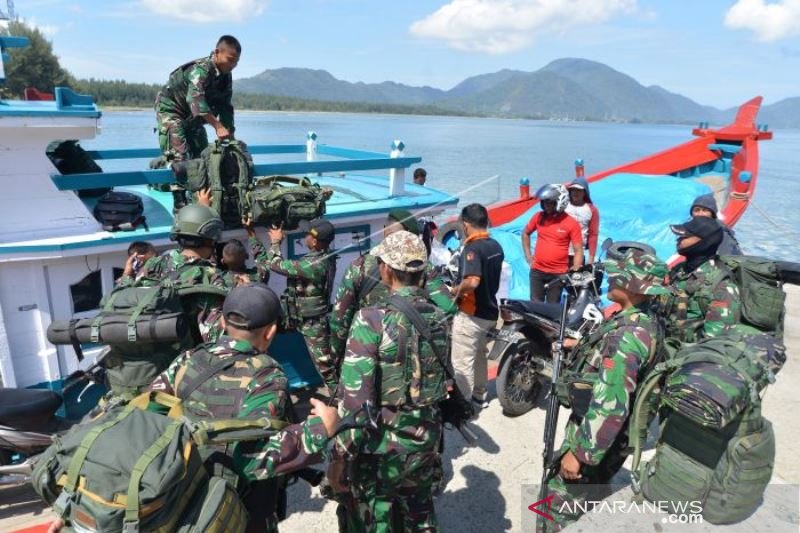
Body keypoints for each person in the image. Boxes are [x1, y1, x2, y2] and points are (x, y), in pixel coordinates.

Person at [150, 283, 339, 532]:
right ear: (270, 332)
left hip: (182, 495)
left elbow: (151, 409)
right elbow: (251, 460)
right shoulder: (266, 375)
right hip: (233, 510)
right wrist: (321, 429)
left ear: (222, 323)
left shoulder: (189, 359)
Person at [541, 250, 669, 532]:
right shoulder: (641, 318)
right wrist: (579, 348)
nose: (609, 278)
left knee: (555, 506)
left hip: (598, 436)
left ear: (634, 286)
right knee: (588, 496)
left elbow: (611, 403)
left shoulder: (627, 337)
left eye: (617, 275)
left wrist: (581, 454)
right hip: (614, 436)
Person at [329, 230, 448, 532]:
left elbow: (355, 399)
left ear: (384, 269)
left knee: (376, 517)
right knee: (419, 512)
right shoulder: (439, 317)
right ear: (422, 271)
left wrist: (341, 456)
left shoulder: (371, 319)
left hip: (381, 447)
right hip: (425, 439)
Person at [329, 209, 456, 366]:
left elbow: (339, 318)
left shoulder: (359, 266)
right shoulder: (423, 267)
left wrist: (337, 355)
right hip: (413, 350)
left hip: (368, 348)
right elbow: (448, 308)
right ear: (408, 237)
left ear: (384, 232)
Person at [155, 35, 241, 210]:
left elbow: (225, 106)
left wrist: (230, 134)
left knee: (202, 154)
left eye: (237, 62)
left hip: (193, 117)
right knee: (180, 154)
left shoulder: (225, 76)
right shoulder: (200, 70)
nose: (233, 65)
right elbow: (196, 101)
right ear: (217, 53)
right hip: (172, 110)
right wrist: (217, 126)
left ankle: (198, 195)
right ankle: (179, 201)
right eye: (230, 60)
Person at [124, 204, 231, 342]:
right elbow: (214, 337)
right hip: (183, 360)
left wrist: (126, 276)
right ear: (211, 238)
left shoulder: (153, 264)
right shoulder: (210, 275)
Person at [261, 220, 338, 390]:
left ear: (315, 241)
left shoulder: (313, 264)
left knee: (325, 367)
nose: (305, 237)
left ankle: (341, 401)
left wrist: (275, 241)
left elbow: (275, 265)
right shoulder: (324, 256)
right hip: (298, 316)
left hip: (312, 323)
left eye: (308, 235)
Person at [449, 203, 504, 409]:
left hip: (471, 315)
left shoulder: (472, 248)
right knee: (480, 356)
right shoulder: (495, 246)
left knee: (462, 364)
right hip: (490, 313)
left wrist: (455, 290)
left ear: (466, 224)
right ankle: (479, 396)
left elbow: (472, 281)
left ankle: (462, 407)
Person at [661, 216, 741, 343]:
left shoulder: (721, 287)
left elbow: (714, 344)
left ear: (704, 242)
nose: (679, 240)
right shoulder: (679, 271)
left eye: (685, 236)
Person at [522, 184, 583, 303]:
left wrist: (576, 267)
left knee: (552, 307)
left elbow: (578, 250)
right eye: (544, 202)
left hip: (558, 274)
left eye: (549, 203)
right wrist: (528, 256)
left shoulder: (571, 223)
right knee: (535, 306)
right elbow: (525, 233)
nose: (546, 205)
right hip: (537, 272)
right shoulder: (538, 217)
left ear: (560, 202)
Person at [565, 177, 600, 265]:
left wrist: (591, 258)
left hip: (578, 254)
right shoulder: (563, 206)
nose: (575, 193)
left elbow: (593, 235)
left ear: (585, 192)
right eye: (573, 190)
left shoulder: (592, 210)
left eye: (579, 190)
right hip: (561, 253)